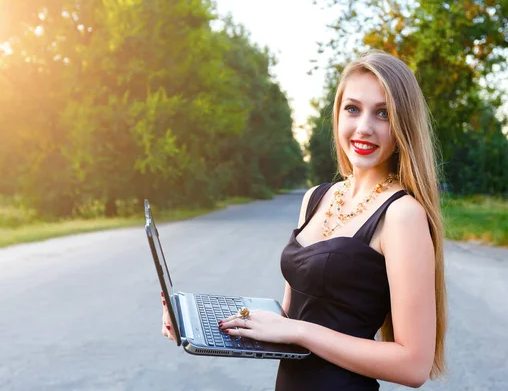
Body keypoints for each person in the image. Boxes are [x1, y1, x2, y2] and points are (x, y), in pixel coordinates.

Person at [161, 50, 446, 390]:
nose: (364, 127)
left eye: (383, 114)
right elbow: (290, 319)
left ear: (403, 125)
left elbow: (413, 365)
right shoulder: (316, 198)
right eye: (352, 109)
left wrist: (299, 331)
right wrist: (201, 325)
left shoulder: (402, 214)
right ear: (338, 114)